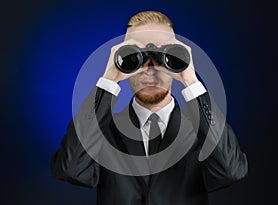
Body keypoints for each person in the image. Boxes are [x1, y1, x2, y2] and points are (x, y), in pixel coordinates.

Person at [51, 10, 248, 205]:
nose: (150, 69)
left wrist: (191, 80)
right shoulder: (104, 130)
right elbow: (71, 169)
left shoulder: (200, 131)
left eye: (162, 54)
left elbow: (230, 171)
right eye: (137, 54)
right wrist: (110, 77)